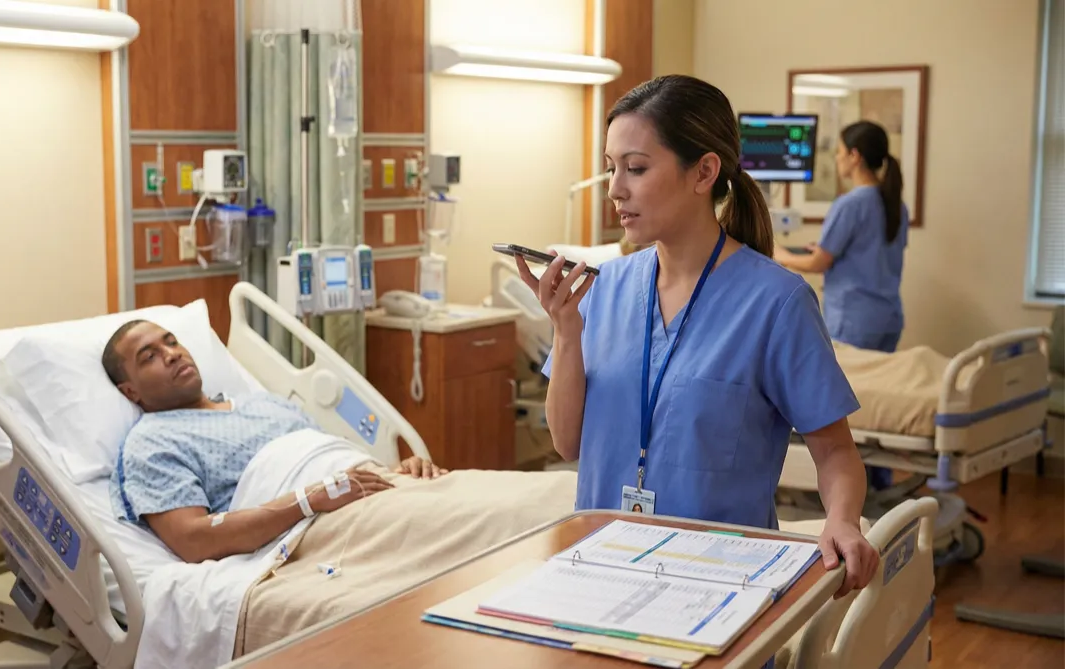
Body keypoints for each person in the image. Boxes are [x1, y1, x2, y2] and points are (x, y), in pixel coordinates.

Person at [516, 74, 879, 602]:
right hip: (600, 569)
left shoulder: (776, 302)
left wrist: (842, 521)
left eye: (636, 168)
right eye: (611, 167)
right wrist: (567, 334)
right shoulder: (602, 288)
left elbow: (835, 452)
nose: (616, 187)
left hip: (720, 587)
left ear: (704, 171)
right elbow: (566, 442)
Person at [101, 318, 446, 564]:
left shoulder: (263, 402)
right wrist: (307, 501)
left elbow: (330, 464)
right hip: (317, 526)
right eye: (149, 357)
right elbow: (194, 539)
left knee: (466, 502)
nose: (172, 354)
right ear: (130, 391)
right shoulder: (153, 441)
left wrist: (397, 470)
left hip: (377, 493)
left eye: (172, 341)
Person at [773, 120, 909, 354]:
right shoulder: (897, 204)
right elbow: (871, 251)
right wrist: (825, 248)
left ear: (854, 156)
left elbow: (818, 263)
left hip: (855, 322)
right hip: (889, 318)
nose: (836, 158)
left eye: (839, 151)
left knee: (848, 388)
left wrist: (779, 253)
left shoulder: (850, 204)